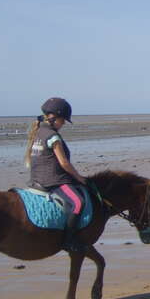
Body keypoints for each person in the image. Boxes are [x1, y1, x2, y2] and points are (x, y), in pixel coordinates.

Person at [24, 97, 88, 253]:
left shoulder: (38, 131)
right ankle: (69, 240)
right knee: (78, 202)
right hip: (53, 181)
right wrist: (80, 178)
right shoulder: (53, 136)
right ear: (54, 117)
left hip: (37, 178)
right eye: (63, 120)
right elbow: (64, 163)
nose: (64, 123)